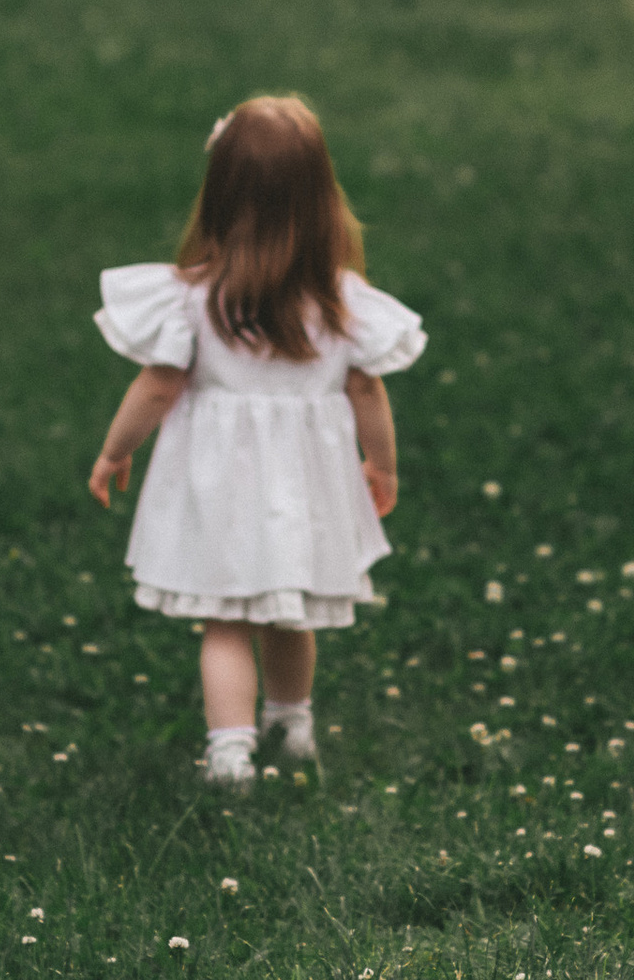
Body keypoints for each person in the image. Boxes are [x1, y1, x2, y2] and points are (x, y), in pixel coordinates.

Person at [87, 95, 423, 789]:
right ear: (321, 198)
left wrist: (116, 450)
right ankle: (292, 726)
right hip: (304, 490)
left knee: (225, 622)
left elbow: (157, 386)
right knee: (286, 613)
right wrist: (382, 465)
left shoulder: (193, 299)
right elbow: (368, 392)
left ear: (218, 196)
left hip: (218, 488)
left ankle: (230, 752)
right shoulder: (341, 302)